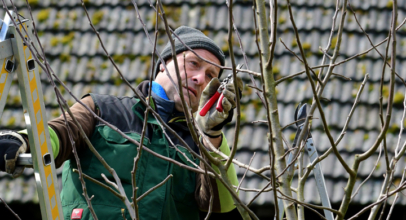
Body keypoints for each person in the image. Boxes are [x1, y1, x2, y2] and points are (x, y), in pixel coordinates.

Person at [0, 26, 243, 220]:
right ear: (163, 64)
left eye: (211, 75)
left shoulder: (201, 146)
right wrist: (21, 139)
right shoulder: (103, 110)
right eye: (193, 63)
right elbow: (58, 134)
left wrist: (212, 135)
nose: (200, 78)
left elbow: (222, 205)